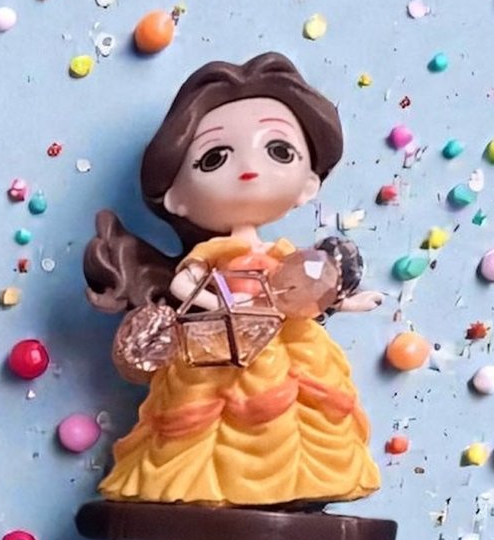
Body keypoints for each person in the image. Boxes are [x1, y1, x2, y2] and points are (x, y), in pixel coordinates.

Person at [83, 52, 382, 508]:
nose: (249, 168)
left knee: (302, 404)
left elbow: (307, 295)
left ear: (309, 184)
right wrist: (215, 306)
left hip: (285, 344)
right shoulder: (216, 255)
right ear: (177, 198)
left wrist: (349, 303)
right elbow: (184, 286)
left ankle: (296, 485)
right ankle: (200, 487)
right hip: (218, 345)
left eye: (279, 151)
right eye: (214, 157)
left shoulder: (286, 256)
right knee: (203, 416)